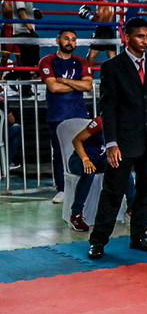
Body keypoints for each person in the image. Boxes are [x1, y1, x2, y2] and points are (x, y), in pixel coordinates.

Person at [87, 17, 147, 260]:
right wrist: (111, 142)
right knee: (113, 192)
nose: (145, 41)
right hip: (123, 142)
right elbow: (108, 108)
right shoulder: (112, 67)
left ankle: (139, 236)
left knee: (145, 191)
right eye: (139, 36)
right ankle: (98, 241)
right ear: (127, 37)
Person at [39, 30, 92, 204]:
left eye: (73, 40)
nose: (70, 42)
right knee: (60, 154)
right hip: (57, 115)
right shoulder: (46, 61)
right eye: (66, 39)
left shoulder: (81, 62)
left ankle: (83, 186)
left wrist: (65, 81)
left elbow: (88, 86)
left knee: (83, 151)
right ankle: (62, 189)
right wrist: (77, 85)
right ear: (58, 40)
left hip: (79, 114)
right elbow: (53, 87)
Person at [11, 0, 40, 88]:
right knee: (31, 59)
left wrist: (34, 13)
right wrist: (30, 29)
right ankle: (13, 76)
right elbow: (21, 12)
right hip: (22, 32)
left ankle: (25, 87)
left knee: (28, 61)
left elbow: (25, 11)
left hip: (26, 31)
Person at [79, 0, 116, 66]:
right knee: (113, 59)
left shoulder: (100, 5)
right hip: (110, 32)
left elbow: (98, 20)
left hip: (101, 32)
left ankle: (89, 78)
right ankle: (116, 78)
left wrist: (88, 15)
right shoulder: (109, 4)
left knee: (90, 57)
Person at [1, 0, 22, 71]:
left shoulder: (23, 4)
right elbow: (9, 13)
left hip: (18, 31)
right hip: (7, 30)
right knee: (5, 57)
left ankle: (20, 82)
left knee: (20, 58)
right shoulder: (5, 1)